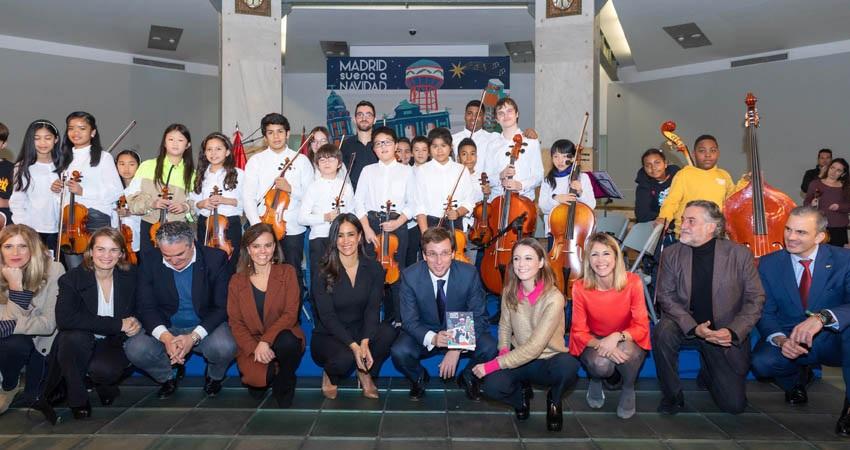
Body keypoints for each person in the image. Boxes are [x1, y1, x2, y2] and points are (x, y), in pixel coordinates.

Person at [652, 200, 765, 414]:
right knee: (663, 331)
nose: (683, 225)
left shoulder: (739, 254)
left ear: (711, 227)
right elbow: (665, 296)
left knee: (734, 406)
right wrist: (694, 328)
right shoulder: (672, 253)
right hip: (685, 323)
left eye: (691, 221)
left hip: (723, 329)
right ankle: (672, 396)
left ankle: (708, 368)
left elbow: (755, 298)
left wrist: (732, 331)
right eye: (683, 219)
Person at [750, 206, 850, 437]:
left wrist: (822, 318)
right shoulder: (769, 263)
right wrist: (782, 340)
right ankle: (797, 378)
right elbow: (766, 312)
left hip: (833, 339)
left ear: (819, 236)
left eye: (801, 232)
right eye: (788, 229)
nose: (791, 237)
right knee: (762, 363)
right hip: (790, 336)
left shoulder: (844, 260)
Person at [472, 237, 579, 431]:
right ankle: (520, 400)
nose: (521, 264)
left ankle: (554, 399)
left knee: (569, 367)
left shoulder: (554, 298)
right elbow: (504, 326)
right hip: (519, 353)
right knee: (491, 386)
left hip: (548, 358)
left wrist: (493, 365)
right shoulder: (509, 291)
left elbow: (536, 347)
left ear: (540, 263)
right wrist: (504, 350)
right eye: (516, 259)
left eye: (528, 258)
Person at [123, 222, 236, 399]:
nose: (174, 261)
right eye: (167, 256)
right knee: (136, 348)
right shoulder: (149, 259)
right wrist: (166, 337)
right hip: (167, 325)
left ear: (192, 244)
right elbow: (146, 307)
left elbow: (221, 307)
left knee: (225, 346)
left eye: (180, 254)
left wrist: (193, 337)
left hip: (204, 324)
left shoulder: (215, 258)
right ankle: (168, 375)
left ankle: (214, 376)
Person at [390, 227, 497, 401]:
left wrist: (456, 347)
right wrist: (432, 338)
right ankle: (419, 376)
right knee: (399, 351)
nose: (439, 261)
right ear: (424, 255)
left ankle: (468, 377)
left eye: (445, 253)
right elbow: (409, 321)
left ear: (453, 253)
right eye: (432, 254)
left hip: (460, 329)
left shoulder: (468, 273)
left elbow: (480, 316)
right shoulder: (410, 276)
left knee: (490, 346)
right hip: (426, 330)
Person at [48, 228, 140, 420]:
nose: (107, 255)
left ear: (122, 253)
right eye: (100, 249)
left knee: (104, 371)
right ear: (90, 251)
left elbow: (144, 306)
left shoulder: (132, 276)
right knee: (70, 338)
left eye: (114, 250)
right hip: (82, 336)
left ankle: (105, 385)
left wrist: (136, 322)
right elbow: (65, 319)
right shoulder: (71, 278)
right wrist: (117, 324)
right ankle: (77, 399)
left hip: (114, 341)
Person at [311, 214, 398, 399]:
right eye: (340, 235)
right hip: (330, 334)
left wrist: (365, 342)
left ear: (359, 237)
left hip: (360, 328)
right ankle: (329, 374)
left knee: (388, 333)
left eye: (351, 234)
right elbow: (327, 317)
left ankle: (364, 372)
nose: (346, 241)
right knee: (345, 358)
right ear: (334, 239)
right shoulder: (322, 270)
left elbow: (373, 309)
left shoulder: (374, 268)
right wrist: (354, 347)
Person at [570, 233, 650, 419]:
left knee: (628, 353)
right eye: (594, 255)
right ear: (588, 260)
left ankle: (628, 388)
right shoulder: (580, 287)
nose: (600, 260)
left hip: (627, 337)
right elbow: (578, 332)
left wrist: (616, 337)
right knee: (600, 364)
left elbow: (641, 327)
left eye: (606, 253)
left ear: (616, 257)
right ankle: (596, 380)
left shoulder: (632, 282)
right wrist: (602, 345)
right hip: (594, 339)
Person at [227, 223, 304, 408]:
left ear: (275, 247)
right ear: (248, 249)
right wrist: (255, 348)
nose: (263, 251)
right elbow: (236, 323)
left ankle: (284, 380)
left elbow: (290, 314)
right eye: (256, 246)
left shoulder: (287, 272)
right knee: (257, 382)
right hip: (252, 341)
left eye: (268, 245)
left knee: (288, 342)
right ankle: (267, 371)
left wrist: (266, 341)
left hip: (281, 334)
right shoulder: (237, 281)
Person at [242, 113, 314, 293]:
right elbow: (248, 197)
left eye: (280, 132)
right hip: (263, 225)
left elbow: (312, 196)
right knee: (263, 275)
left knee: (292, 274)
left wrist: (291, 189)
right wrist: (258, 227)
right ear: (265, 137)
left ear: (288, 134)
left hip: (293, 228)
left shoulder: (302, 160)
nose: (276, 137)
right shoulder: (256, 161)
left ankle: (292, 318)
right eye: (271, 132)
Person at [353, 126, 416, 323]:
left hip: (398, 225)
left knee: (398, 273)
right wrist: (367, 229)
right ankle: (370, 321)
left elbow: (414, 202)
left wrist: (398, 221)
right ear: (374, 149)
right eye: (378, 143)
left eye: (387, 142)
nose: (383, 146)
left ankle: (398, 319)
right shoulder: (367, 171)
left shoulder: (408, 171)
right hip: (372, 225)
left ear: (396, 145)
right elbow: (358, 202)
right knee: (371, 273)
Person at [0, 224, 65, 415]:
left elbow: (48, 325)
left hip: (41, 343)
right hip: (12, 341)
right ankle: (9, 384)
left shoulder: (54, 270)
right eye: (8, 246)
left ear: (33, 248)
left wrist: (16, 287)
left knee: (33, 399)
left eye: (23, 246)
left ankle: (16, 382)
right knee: (14, 342)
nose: (15, 252)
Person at [57, 112, 124, 266]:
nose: (75, 132)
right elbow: (63, 198)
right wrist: (57, 190)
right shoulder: (64, 158)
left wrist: (83, 191)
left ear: (92, 132)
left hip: (95, 218)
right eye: (71, 128)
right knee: (75, 272)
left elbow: (116, 192)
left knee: (97, 268)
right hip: (70, 221)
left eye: (82, 128)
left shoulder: (103, 157)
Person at [124, 124, 195, 253]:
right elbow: (131, 200)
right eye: (171, 139)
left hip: (178, 229)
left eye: (180, 140)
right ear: (164, 143)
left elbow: (195, 212)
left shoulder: (192, 174)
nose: (175, 143)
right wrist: (152, 204)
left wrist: (186, 208)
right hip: (149, 225)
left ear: (187, 145)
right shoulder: (147, 166)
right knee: (149, 267)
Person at [298, 143, 354, 291]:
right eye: (322, 160)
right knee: (320, 282)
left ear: (340, 164)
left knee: (342, 280)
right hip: (319, 239)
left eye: (331, 159)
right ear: (317, 165)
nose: (327, 162)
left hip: (342, 241)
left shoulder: (346, 187)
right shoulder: (313, 187)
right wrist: (325, 217)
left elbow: (352, 213)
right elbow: (302, 218)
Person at [656, 135, 736, 236]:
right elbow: (672, 201)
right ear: (694, 154)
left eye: (713, 150)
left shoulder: (724, 175)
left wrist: (745, 182)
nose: (708, 155)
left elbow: (733, 201)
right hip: (688, 234)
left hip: (715, 234)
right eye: (702, 151)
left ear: (718, 153)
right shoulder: (684, 174)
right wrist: (664, 217)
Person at [191, 132, 244, 272]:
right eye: (209, 149)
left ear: (227, 152)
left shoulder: (238, 174)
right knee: (207, 267)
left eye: (218, 149)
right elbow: (192, 202)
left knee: (229, 266)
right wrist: (202, 204)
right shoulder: (199, 175)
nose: (213, 153)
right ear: (205, 153)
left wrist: (224, 200)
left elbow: (246, 203)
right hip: (205, 224)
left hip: (230, 225)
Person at [9, 120, 63, 251]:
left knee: (58, 269)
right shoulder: (22, 167)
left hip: (62, 230)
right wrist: (24, 230)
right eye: (37, 138)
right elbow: (17, 201)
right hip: (33, 229)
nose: (43, 143)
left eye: (48, 138)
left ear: (55, 139)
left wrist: (60, 191)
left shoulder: (65, 165)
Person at [414, 128, 473, 234]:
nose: (439, 150)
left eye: (443, 146)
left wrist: (458, 212)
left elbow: (469, 201)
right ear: (429, 149)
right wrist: (425, 233)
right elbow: (419, 205)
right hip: (430, 225)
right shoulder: (421, 171)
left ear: (451, 147)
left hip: (455, 223)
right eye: (435, 146)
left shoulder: (462, 170)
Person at [539, 139, 597, 247]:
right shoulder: (548, 180)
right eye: (556, 156)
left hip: (577, 230)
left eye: (565, 156)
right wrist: (556, 199)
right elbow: (543, 207)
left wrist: (580, 192)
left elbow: (591, 205)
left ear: (573, 158)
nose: (560, 160)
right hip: (555, 232)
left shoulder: (582, 178)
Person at [484, 98, 543, 201]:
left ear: (517, 114)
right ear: (497, 119)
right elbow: (487, 178)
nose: (505, 116)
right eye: (501, 113)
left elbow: (538, 176)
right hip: (497, 202)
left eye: (509, 111)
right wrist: (500, 176)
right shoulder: (492, 145)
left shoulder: (531, 142)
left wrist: (520, 185)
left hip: (523, 201)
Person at [805, 157, 850, 247]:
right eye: (832, 168)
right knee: (819, 255)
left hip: (838, 228)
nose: (833, 172)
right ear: (828, 168)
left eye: (838, 170)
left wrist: (839, 207)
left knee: (837, 256)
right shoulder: (815, 184)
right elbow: (806, 203)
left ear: (843, 173)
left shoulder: (846, 187)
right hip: (819, 226)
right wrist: (811, 204)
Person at [635, 148, 680, 223]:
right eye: (648, 165)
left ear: (665, 163)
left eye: (657, 163)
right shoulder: (643, 186)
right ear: (644, 169)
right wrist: (666, 217)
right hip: (658, 225)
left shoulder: (678, 176)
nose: (653, 168)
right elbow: (642, 215)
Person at [341, 100, 378, 189]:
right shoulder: (345, 145)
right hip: (352, 197)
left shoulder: (381, 145)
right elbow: (341, 174)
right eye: (360, 115)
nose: (364, 118)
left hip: (377, 196)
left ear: (374, 120)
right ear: (354, 119)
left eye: (368, 115)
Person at [115, 149, 142, 254]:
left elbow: (149, 210)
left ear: (138, 166)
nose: (126, 168)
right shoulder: (113, 188)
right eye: (121, 164)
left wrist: (131, 212)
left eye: (131, 164)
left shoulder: (142, 187)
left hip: (138, 235)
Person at [0, 122, 13, 224]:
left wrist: (4, 203)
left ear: (3, 144)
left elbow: (21, 200)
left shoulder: (12, 169)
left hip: (4, 213)